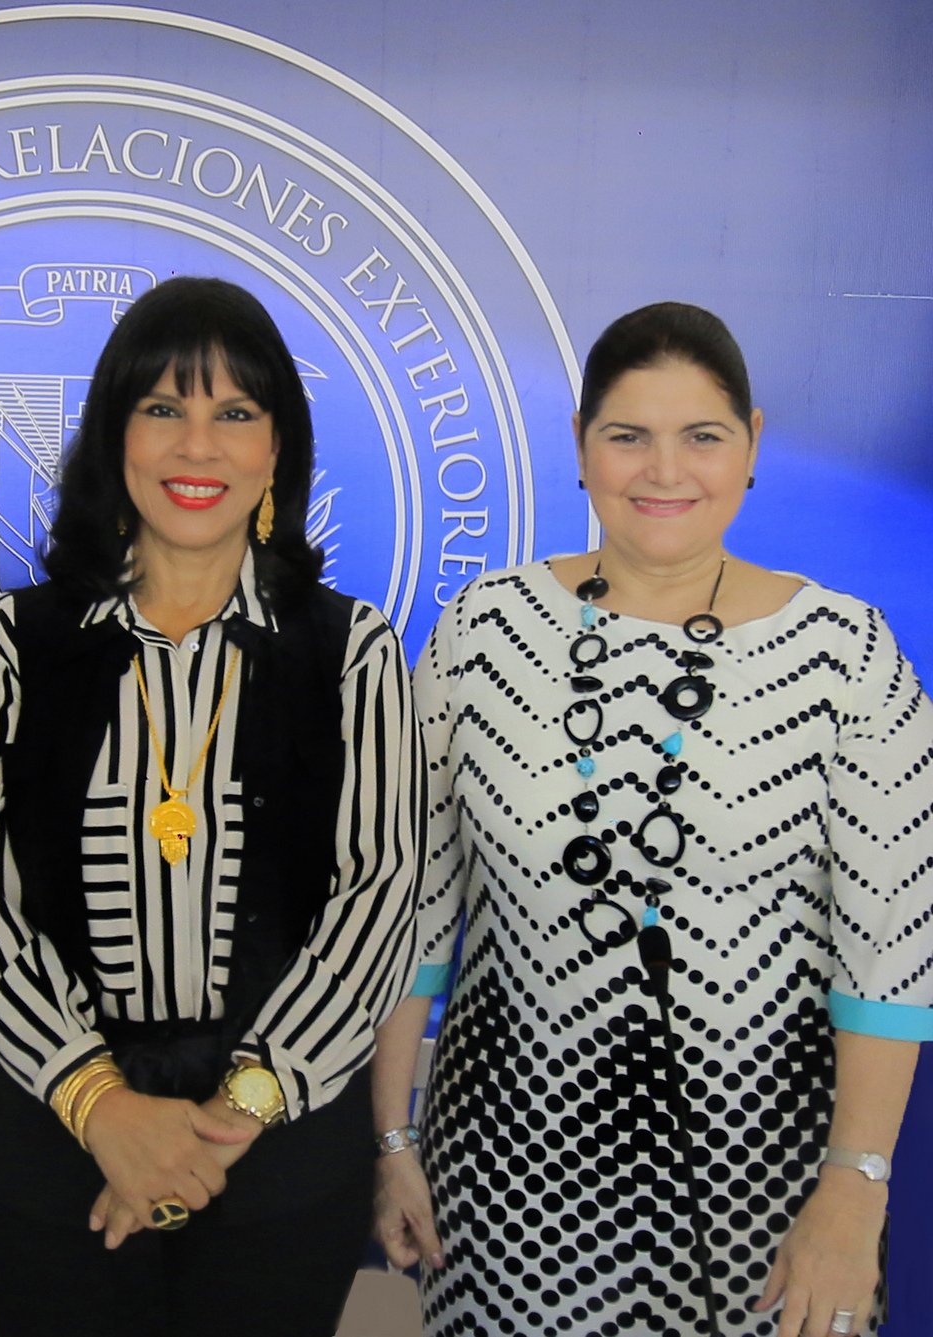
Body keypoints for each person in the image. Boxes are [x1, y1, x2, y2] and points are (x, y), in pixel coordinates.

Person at [371, 302, 933, 1337]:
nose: (662, 469)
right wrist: (392, 1137)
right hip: (506, 1191)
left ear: (753, 443)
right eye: (626, 434)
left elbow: (888, 958)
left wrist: (856, 1186)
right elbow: (413, 907)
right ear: (580, 446)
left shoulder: (847, 658)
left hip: (772, 1198)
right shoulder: (482, 630)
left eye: (702, 435)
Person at [0, 275, 425, 1337]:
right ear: (114, 434)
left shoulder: (354, 652)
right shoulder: (9, 643)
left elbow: (378, 894)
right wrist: (99, 1104)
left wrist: (228, 1120)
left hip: (280, 1150)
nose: (197, 448)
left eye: (234, 413)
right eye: (163, 408)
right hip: (49, 1140)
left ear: (277, 448)